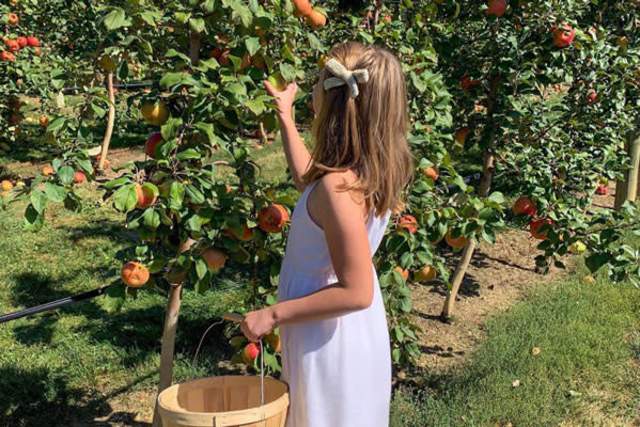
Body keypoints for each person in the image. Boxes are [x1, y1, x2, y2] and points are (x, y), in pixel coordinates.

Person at [240, 41, 413, 427]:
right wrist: (284, 116)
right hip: (335, 330)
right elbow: (308, 182)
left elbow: (356, 290)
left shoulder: (338, 188)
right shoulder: (354, 174)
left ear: (334, 99)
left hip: (330, 340)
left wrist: (273, 314)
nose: (311, 88)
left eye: (318, 81)